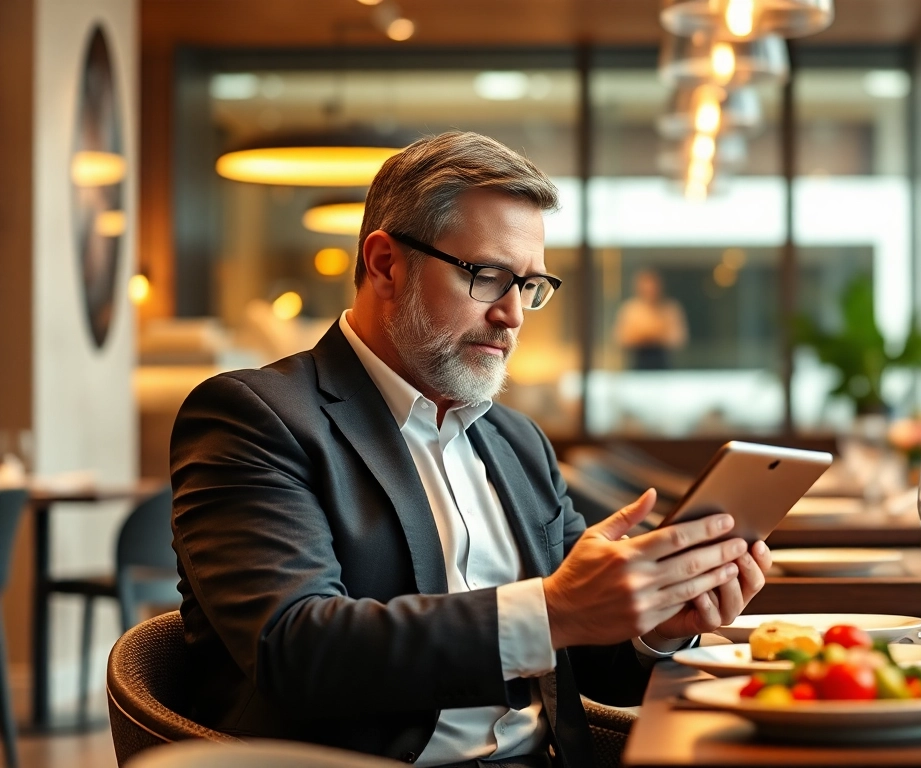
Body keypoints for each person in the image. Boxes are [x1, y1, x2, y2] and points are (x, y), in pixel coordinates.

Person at [169, 131, 771, 768]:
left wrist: (653, 624)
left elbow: (587, 658)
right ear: (384, 265)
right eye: (488, 277)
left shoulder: (516, 441)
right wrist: (551, 610)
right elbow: (294, 651)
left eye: (530, 285)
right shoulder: (255, 418)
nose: (513, 314)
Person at [612, 269, 686, 370]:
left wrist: (650, 335)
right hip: (637, 363)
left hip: (663, 364)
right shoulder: (630, 310)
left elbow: (677, 339)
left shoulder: (670, 309)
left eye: (653, 285)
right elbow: (621, 338)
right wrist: (649, 335)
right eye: (646, 284)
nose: (650, 289)